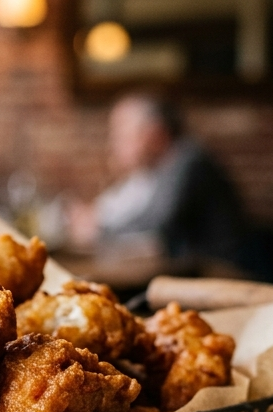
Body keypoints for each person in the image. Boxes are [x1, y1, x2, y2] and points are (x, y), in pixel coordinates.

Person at [68, 93, 251, 278]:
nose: (114, 143)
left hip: (222, 274)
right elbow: (125, 209)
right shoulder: (156, 168)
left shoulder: (187, 160)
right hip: (190, 273)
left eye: (122, 134)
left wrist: (99, 228)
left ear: (155, 132)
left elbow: (156, 224)